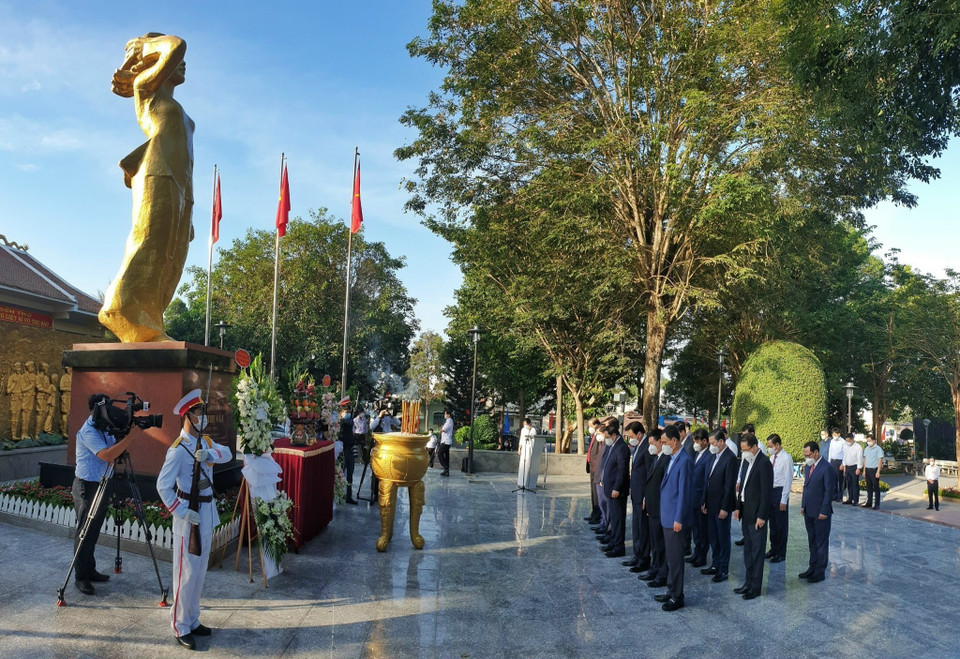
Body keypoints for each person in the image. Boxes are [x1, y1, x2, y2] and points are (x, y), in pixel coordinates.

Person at [101, 33, 195, 343]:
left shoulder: (176, 105)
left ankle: (150, 320)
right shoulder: (146, 87)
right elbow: (177, 45)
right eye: (175, 63)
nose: (182, 64)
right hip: (156, 170)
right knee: (149, 239)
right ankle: (120, 309)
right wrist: (144, 47)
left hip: (181, 180)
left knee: (172, 253)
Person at [157, 389, 233, 650]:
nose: (203, 416)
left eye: (203, 411)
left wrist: (210, 455)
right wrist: (180, 511)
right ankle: (179, 626)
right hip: (189, 517)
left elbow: (229, 454)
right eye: (199, 412)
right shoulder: (177, 450)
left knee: (199, 574)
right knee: (185, 575)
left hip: (207, 514)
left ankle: (192, 619)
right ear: (187, 415)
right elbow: (163, 486)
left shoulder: (207, 443)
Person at [71, 393, 139, 595]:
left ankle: (90, 570)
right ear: (96, 410)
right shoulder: (88, 431)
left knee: (94, 530)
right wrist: (131, 437)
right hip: (86, 486)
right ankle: (80, 577)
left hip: (102, 482)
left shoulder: (104, 427)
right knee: (84, 531)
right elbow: (108, 455)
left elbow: (114, 452)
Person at [655, 426, 692, 611]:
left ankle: (677, 596)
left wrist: (679, 518)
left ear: (674, 441)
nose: (662, 445)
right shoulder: (672, 458)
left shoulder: (684, 460)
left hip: (675, 519)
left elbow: (684, 493)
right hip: (667, 517)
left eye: (664, 442)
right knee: (670, 557)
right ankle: (671, 590)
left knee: (676, 559)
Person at [734, 433, 772, 600]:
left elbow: (766, 493)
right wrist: (738, 508)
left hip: (757, 516)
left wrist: (762, 516)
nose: (744, 452)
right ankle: (747, 582)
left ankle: (755, 587)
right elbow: (742, 487)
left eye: (746, 449)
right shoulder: (747, 462)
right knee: (748, 551)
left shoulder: (764, 464)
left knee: (757, 553)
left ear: (754, 447)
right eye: (742, 450)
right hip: (746, 512)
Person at [702, 429, 737, 583]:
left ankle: (723, 569)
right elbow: (707, 480)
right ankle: (715, 564)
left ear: (721, 442)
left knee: (723, 538)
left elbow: (729, 486)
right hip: (710, 504)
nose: (712, 446)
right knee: (713, 536)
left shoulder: (730, 458)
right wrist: (704, 501)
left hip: (721, 505)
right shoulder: (712, 456)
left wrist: (725, 507)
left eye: (714, 443)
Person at [800, 441, 835, 584]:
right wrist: (803, 505)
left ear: (815, 452)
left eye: (808, 455)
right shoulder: (809, 467)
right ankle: (812, 567)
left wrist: (824, 511)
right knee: (812, 540)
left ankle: (820, 571)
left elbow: (829, 492)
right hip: (809, 510)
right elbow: (806, 486)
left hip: (821, 512)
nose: (806, 457)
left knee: (821, 542)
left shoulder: (827, 468)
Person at [639, 429, 668, 587]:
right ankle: (654, 569)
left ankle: (662, 573)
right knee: (654, 541)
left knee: (660, 543)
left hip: (659, 507)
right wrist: (645, 498)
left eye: (652, 443)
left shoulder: (666, 459)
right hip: (651, 506)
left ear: (660, 442)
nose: (650, 446)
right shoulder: (655, 458)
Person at [598, 420, 630, 557]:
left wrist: (617, 488)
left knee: (618, 519)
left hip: (616, 491)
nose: (606, 440)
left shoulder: (621, 448)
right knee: (614, 518)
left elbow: (622, 471)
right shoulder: (613, 446)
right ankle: (613, 541)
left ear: (614, 435)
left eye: (607, 437)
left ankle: (619, 546)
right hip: (609, 488)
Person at [624, 421, 651, 573]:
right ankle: (636, 554)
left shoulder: (647, 446)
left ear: (639, 434)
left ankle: (644, 558)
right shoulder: (638, 446)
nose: (630, 439)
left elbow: (648, 473)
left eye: (631, 436)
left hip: (642, 494)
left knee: (643, 527)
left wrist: (646, 496)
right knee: (636, 525)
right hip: (635, 492)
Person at [765, 434, 792, 562]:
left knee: (781, 525)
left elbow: (788, 480)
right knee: (773, 524)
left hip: (780, 491)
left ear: (777, 445)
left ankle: (781, 553)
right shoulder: (771, 458)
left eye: (770, 446)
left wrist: (783, 499)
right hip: (771, 491)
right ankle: (773, 548)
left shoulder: (786, 458)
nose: (769, 448)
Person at [687, 429, 711, 568]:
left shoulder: (708, 456)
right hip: (693, 496)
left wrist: (703, 500)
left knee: (702, 529)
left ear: (704, 441)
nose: (695, 444)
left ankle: (702, 556)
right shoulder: (696, 454)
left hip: (700, 496)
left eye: (697, 441)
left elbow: (706, 480)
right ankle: (696, 552)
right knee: (695, 527)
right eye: (694, 441)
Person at [339, 399, 358, 504]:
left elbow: (350, 423)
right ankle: (339, 494)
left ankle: (348, 496)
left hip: (350, 450)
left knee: (350, 474)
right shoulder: (340, 423)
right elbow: (346, 423)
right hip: (343, 451)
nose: (348, 414)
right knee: (340, 473)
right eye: (345, 412)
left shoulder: (350, 422)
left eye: (349, 412)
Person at [585, 418, 603, 524]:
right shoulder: (594, 435)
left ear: (596, 425)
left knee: (597, 493)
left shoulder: (600, 437)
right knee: (593, 491)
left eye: (591, 426)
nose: (590, 428)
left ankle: (597, 515)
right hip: (591, 466)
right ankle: (593, 512)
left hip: (596, 467)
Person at [840, 433, 863, 505]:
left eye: (849, 440)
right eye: (846, 440)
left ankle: (855, 500)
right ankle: (850, 499)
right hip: (847, 466)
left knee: (855, 484)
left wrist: (859, 468)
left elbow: (860, 458)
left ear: (852, 439)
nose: (848, 442)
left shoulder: (858, 447)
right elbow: (845, 456)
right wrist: (843, 465)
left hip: (854, 467)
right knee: (849, 484)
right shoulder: (845, 446)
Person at [862, 434, 884, 509]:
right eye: (867, 441)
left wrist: (878, 471)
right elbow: (865, 460)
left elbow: (880, 460)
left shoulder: (878, 449)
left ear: (874, 441)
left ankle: (877, 504)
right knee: (869, 487)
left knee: (876, 487)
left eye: (870, 441)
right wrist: (864, 470)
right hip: (867, 469)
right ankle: (869, 502)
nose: (868, 442)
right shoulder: (867, 449)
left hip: (874, 469)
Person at [517, 418, 538, 490]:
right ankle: (521, 482)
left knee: (528, 465)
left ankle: (527, 482)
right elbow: (521, 439)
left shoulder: (533, 430)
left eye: (526, 424)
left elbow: (534, 438)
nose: (525, 425)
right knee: (522, 464)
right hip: (524, 449)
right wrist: (519, 448)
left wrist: (530, 430)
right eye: (524, 424)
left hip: (530, 449)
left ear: (529, 423)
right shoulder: (523, 430)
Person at [827, 427, 845, 502]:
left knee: (839, 479)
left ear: (838, 434)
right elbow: (830, 451)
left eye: (835, 434)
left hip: (839, 461)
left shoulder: (843, 442)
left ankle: (839, 496)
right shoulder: (832, 441)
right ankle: (834, 495)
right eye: (833, 434)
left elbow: (844, 453)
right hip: (832, 461)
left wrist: (843, 464)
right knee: (833, 479)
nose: (834, 436)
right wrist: (829, 461)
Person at [438, 410, 453, 476]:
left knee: (439, 453)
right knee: (446, 456)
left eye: (445, 414)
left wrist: (441, 428)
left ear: (448, 415)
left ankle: (446, 468)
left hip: (446, 441)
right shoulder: (448, 421)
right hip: (446, 441)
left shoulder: (449, 421)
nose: (445, 415)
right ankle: (446, 471)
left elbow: (443, 429)